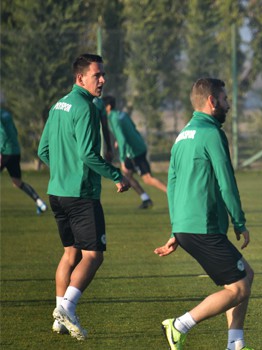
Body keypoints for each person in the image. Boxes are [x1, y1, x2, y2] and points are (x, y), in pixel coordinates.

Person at [154, 78, 255, 350]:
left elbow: (172, 185)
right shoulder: (212, 134)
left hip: (188, 226)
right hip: (204, 226)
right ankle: (179, 325)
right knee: (239, 288)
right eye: (224, 100)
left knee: (245, 274)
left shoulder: (182, 136)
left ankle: (236, 344)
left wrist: (177, 229)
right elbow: (227, 181)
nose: (228, 105)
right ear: (212, 102)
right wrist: (240, 221)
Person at [38, 53, 131, 340]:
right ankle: (67, 308)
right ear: (81, 78)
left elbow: (43, 151)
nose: (102, 80)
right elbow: (89, 155)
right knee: (94, 255)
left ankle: (58, 319)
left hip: (57, 192)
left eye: (103, 75)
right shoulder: (87, 107)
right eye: (97, 75)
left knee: (70, 254)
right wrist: (117, 175)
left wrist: (63, 172)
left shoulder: (58, 106)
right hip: (80, 195)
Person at [103, 95, 167, 209]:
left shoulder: (112, 118)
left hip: (133, 152)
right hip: (138, 146)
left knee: (147, 179)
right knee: (127, 176)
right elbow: (131, 127)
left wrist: (122, 160)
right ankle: (146, 199)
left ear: (108, 107)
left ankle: (172, 194)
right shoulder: (121, 114)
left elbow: (122, 140)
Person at [0, 108, 49, 214]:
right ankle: (40, 203)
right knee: (17, 182)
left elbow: (3, 135)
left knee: (16, 182)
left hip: (4, 152)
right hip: (15, 151)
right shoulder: (6, 114)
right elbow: (15, 131)